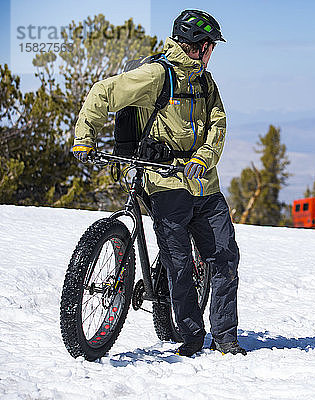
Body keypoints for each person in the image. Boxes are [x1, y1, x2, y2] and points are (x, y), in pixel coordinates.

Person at [71, 10, 246, 356]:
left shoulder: (206, 84)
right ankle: (192, 337)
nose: (213, 54)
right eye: (211, 46)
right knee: (178, 266)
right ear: (200, 47)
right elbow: (102, 93)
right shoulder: (157, 75)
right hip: (165, 183)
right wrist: (84, 136)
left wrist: (204, 157)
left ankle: (226, 338)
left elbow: (218, 124)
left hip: (204, 185)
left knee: (225, 258)